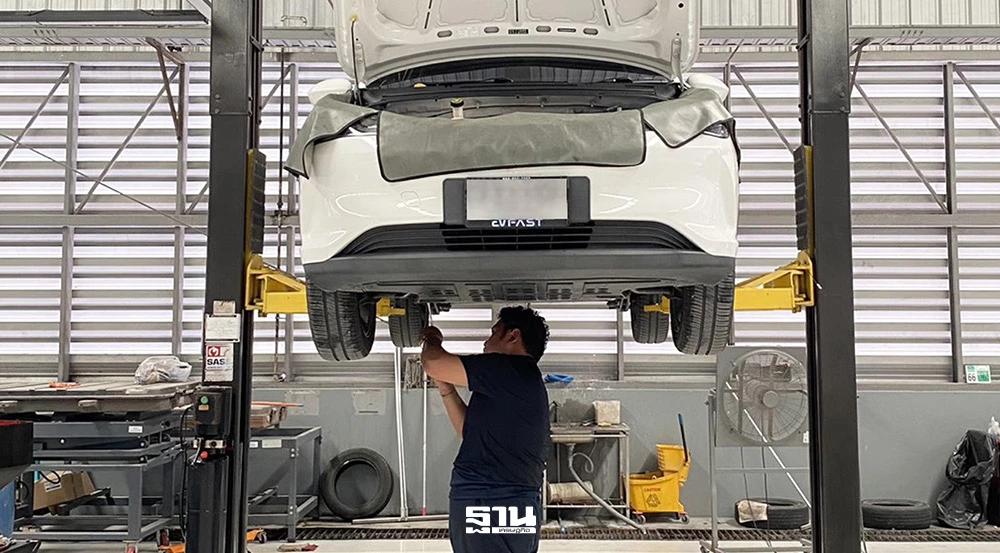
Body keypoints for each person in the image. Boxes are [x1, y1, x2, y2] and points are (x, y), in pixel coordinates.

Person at [420, 306, 551, 553]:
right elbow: (470, 433)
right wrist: (446, 389)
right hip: (514, 502)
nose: (486, 341)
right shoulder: (522, 378)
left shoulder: (505, 368)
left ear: (513, 336)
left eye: (493, 332)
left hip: (487, 501)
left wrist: (432, 338)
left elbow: (433, 362)